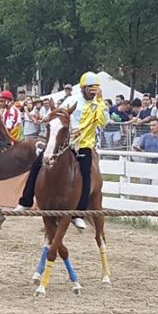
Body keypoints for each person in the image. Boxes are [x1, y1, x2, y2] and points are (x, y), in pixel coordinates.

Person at [15, 71, 109, 230]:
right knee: (38, 163)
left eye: (95, 88)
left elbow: (103, 122)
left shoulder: (99, 104)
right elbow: (57, 115)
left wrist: (100, 101)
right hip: (65, 142)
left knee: (86, 174)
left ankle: (78, 213)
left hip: (84, 144)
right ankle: (26, 200)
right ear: (83, 88)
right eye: (90, 88)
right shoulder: (71, 100)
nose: (92, 92)